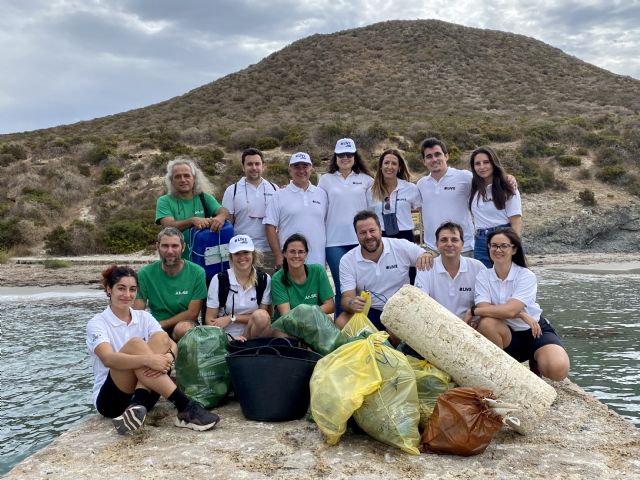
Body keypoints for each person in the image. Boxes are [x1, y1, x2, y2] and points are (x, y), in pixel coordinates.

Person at [87, 265, 220, 435]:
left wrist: (168, 358)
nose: (127, 295)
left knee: (161, 337)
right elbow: (108, 359)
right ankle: (184, 406)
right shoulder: (97, 323)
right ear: (108, 289)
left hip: (146, 394)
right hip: (111, 400)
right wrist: (149, 360)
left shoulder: (143, 317)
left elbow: (170, 343)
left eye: (132, 289)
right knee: (136, 345)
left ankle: (138, 405)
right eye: (121, 288)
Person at [471, 228, 570, 380]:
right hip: (505, 334)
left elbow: (504, 310)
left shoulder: (525, 275)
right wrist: (522, 314)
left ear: (514, 249)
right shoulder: (483, 276)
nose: (498, 250)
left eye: (504, 246)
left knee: (557, 371)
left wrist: (474, 311)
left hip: (533, 330)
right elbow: (485, 308)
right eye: (494, 245)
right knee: (487, 324)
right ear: (489, 248)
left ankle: (536, 359)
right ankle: (501, 372)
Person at [336, 210, 433, 330]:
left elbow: (429, 256)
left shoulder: (400, 246)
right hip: (371, 309)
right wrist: (352, 304)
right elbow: (346, 298)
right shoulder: (347, 260)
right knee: (341, 322)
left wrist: (427, 254)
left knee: (395, 330)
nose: (369, 236)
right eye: (363, 233)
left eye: (372, 231)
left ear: (380, 229)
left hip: (401, 310)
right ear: (356, 235)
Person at [318, 138, 373, 317]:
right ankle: (340, 331)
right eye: (341, 154)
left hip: (361, 241)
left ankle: (361, 327)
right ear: (335, 157)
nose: (345, 157)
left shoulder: (366, 180)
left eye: (349, 154)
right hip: (334, 243)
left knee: (362, 286)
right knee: (343, 287)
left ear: (355, 157)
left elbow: (373, 211)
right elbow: (318, 206)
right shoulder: (325, 180)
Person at [134, 227, 207, 340]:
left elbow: (193, 313)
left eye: (175, 246)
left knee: (183, 328)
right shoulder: (145, 273)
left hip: (185, 324)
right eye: (165, 246)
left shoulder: (197, 272)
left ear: (183, 247)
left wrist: (159, 324)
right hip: (156, 327)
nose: (170, 251)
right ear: (158, 247)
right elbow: (137, 312)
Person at [155, 157, 229, 259]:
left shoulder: (204, 197)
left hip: (203, 258)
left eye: (187, 175)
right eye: (177, 177)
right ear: (171, 180)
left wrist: (220, 217)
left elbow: (222, 210)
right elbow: (168, 226)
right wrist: (192, 221)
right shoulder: (164, 201)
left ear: (194, 178)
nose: (183, 180)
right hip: (175, 260)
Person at [263, 152, 328, 267]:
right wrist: (278, 256)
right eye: (296, 166)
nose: (301, 170)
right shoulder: (279, 195)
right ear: (290, 170)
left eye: (305, 166)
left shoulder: (322, 194)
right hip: (290, 261)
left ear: (311, 169)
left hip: (318, 261)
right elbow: (270, 226)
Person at [204, 234, 273, 339]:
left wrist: (232, 318)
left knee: (261, 316)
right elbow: (209, 320)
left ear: (253, 254)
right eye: (237, 253)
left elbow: (265, 317)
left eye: (246, 252)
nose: (242, 257)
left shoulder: (264, 279)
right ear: (231, 257)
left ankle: (254, 349)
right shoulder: (219, 279)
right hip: (225, 336)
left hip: (253, 333)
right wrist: (228, 338)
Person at [222, 148, 279, 274]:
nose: (254, 167)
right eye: (249, 164)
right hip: (242, 252)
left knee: (268, 290)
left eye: (257, 164)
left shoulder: (274, 189)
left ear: (263, 166)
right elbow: (228, 223)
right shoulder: (232, 190)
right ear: (243, 167)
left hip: (268, 251)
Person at [415, 222, 486, 319]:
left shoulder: (477, 267)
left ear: (462, 244)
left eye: (454, 240)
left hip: (470, 325)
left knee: (489, 324)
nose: (449, 244)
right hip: (436, 325)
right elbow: (420, 303)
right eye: (443, 240)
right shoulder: (426, 267)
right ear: (436, 244)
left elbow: (485, 303)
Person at [416, 138, 476, 254]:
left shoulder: (464, 177)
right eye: (429, 156)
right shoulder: (421, 184)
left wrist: (508, 178)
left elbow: (488, 183)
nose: (434, 159)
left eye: (438, 154)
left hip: (464, 248)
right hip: (433, 250)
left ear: (446, 156)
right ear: (424, 161)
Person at [468, 146, 523, 268]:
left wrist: (513, 246)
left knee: (507, 278)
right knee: (483, 278)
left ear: (494, 163)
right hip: (480, 241)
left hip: (503, 237)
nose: (482, 167)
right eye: (477, 164)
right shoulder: (473, 187)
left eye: (486, 162)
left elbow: (516, 221)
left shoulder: (507, 187)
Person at [270, 233, 334, 320]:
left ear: (306, 254)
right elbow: (287, 316)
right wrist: (313, 313)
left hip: (312, 320)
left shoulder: (318, 271)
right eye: (292, 251)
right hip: (287, 326)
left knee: (329, 319)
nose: (296, 256)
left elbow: (330, 306)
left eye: (300, 252)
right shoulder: (277, 278)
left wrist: (308, 314)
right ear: (284, 253)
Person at [367, 148, 421, 242]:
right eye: (386, 163)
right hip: (381, 237)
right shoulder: (372, 191)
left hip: (406, 236)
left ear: (399, 167)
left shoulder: (410, 188)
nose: (390, 166)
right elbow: (368, 216)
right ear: (381, 166)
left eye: (394, 163)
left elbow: (423, 210)